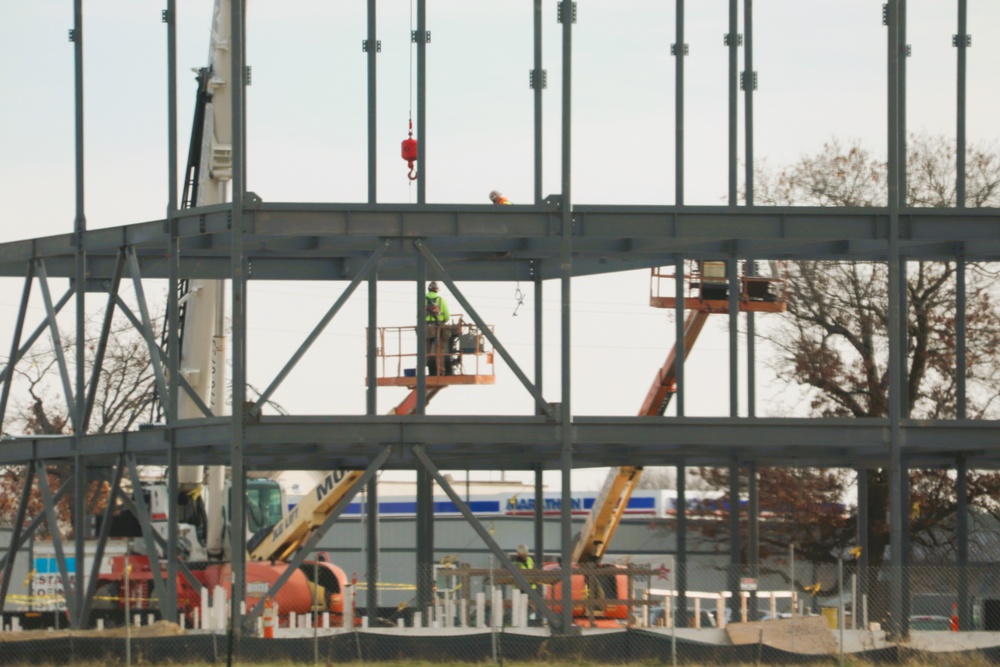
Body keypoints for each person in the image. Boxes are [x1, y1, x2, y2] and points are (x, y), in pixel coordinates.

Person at [425, 281, 456, 376]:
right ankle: (441, 370)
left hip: (426, 327)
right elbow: (447, 316)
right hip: (438, 327)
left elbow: (418, 314)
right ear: (437, 290)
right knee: (440, 349)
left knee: (426, 349)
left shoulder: (422, 299)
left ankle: (423, 369)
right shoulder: (441, 300)